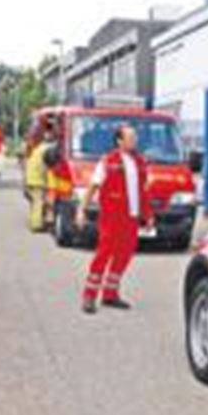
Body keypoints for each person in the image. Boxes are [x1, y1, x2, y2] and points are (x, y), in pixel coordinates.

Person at [76, 124, 152, 314]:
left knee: (124, 254)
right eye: (130, 137)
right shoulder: (108, 161)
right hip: (111, 217)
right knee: (104, 254)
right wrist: (81, 210)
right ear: (119, 140)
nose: (135, 140)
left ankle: (110, 293)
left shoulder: (140, 162)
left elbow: (142, 192)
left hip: (131, 218)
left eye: (135, 137)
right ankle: (89, 295)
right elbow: (93, 187)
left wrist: (148, 215)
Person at [25, 128, 53, 232]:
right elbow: (48, 165)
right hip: (37, 180)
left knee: (34, 202)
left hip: (31, 178)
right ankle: (36, 225)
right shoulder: (47, 149)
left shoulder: (38, 148)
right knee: (38, 202)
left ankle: (34, 222)